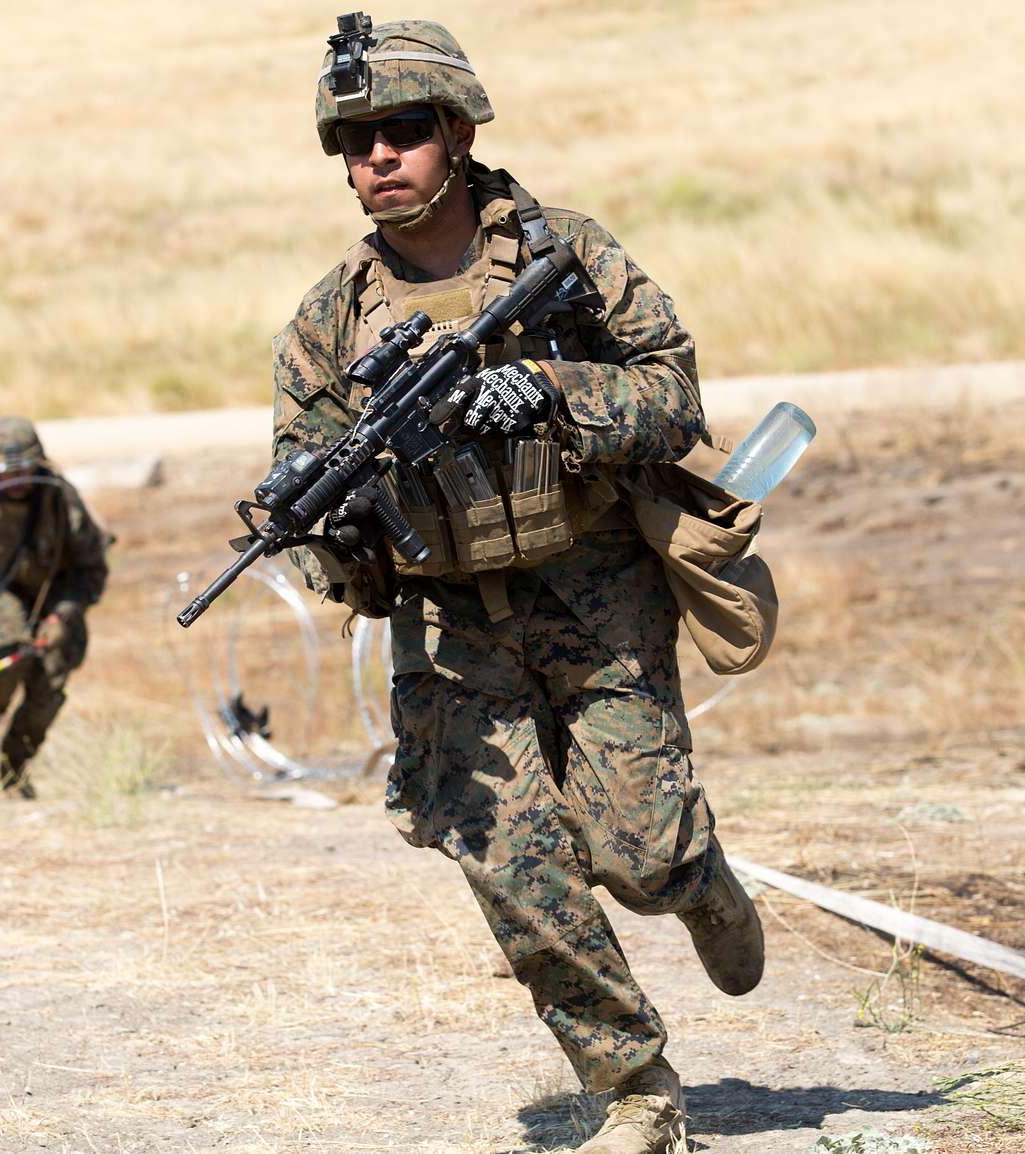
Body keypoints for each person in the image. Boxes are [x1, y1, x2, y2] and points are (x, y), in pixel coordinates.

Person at [271, 15, 763, 1153]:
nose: (375, 158)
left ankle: (697, 878)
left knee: (638, 851)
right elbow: (319, 533)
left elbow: (674, 395)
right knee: (508, 859)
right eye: (350, 141)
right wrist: (333, 524)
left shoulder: (566, 252)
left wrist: (550, 391)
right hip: (452, 628)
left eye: (398, 130)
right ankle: (634, 1085)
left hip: (593, 593)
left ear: (455, 129)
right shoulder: (327, 323)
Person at [0, 416, 109, 799]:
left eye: (25, 469)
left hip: (56, 594)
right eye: (6, 470)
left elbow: (91, 569)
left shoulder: (59, 497)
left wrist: (63, 614)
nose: (17, 479)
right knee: (4, 666)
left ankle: (14, 773)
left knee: (48, 686)